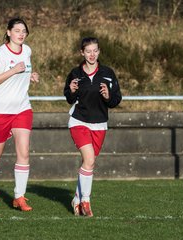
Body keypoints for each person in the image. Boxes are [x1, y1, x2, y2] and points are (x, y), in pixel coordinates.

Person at [0, 17, 39, 211]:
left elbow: (23, 71)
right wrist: (13, 71)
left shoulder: (28, 50)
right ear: (8, 32)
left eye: (24, 30)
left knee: (24, 152)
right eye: (17, 30)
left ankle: (19, 197)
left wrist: (30, 75)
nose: (21, 34)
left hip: (22, 108)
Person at [64, 37, 122, 217]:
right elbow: (68, 97)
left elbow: (115, 100)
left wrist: (107, 96)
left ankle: (76, 197)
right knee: (89, 160)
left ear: (99, 52)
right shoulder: (75, 73)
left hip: (99, 124)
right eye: (88, 51)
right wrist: (71, 91)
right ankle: (85, 200)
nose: (91, 54)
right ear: (82, 53)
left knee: (88, 164)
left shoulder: (108, 73)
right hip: (79, 121)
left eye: (95, 51)